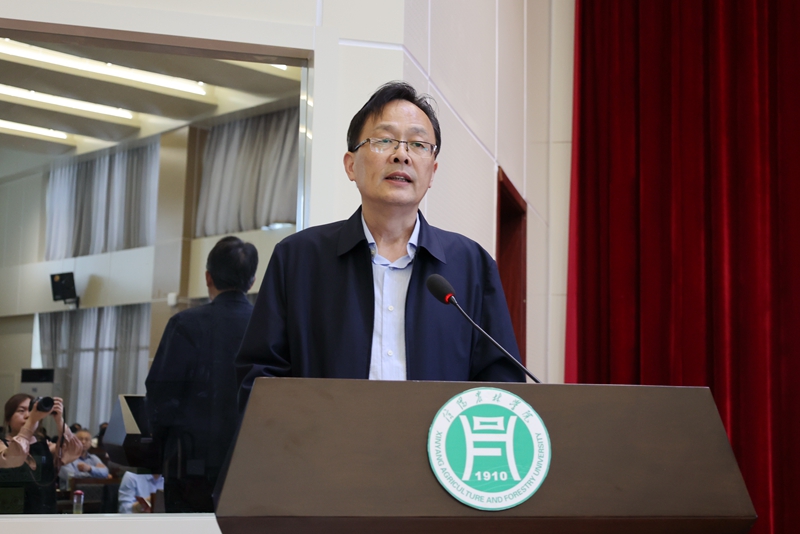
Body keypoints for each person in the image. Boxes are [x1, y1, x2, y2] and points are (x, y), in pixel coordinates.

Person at [236, 81, 524, 410]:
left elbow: (501, 386)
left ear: (432, 172)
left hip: (434, 444)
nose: (401, 154)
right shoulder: (299, 259)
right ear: (351, 165)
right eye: (384, 140)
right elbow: (260, 377)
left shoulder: (471, 266)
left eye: (418, 144)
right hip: (327, 443)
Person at [145, 236, 258, 512]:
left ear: (208, 277)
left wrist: (157, 452)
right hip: (253, 468)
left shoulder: (185, 324)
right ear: (252, 281)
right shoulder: (267, 327)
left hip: (191, 470)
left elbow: (161, 396)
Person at [0, 394, 82, 513]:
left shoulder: (45, 445)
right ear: (8, 419)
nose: (27, 415)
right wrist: (31, 422)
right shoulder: (2, 444)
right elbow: (13, 458)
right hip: (9, 516)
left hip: (45, 514)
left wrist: (59, 421)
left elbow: (72, 451)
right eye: (21, 411)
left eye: (31, 410)